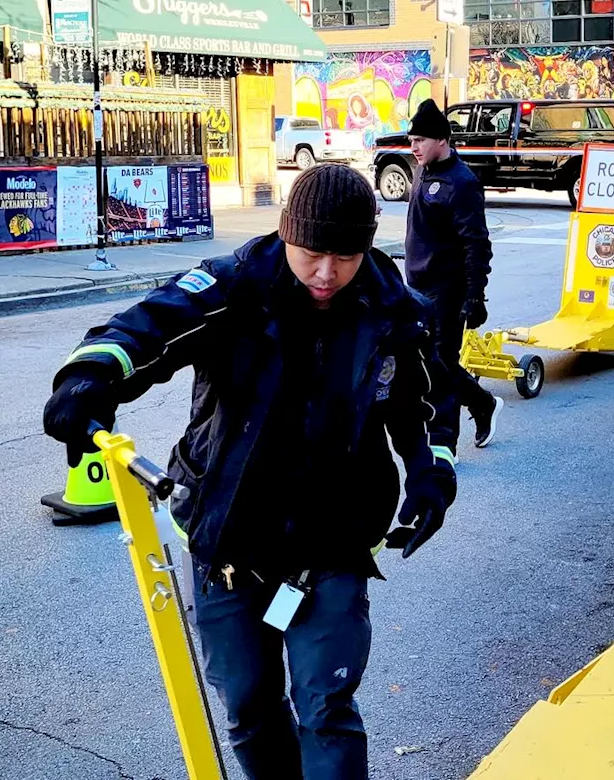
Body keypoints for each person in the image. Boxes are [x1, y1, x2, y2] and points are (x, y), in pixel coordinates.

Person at [42, 165, 456, 780]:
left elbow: (425, 400)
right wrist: (90, 378)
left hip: (333, 542)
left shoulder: (391, 308)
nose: (326, 273)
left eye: (346, 256)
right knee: (250, 708)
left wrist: (432, 471)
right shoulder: (233, 286)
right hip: (228, 538)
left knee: (326, 706)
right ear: (287, 233)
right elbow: (146, 327)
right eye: (313, 253)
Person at [404, 98, 503, 451]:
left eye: (421, 140)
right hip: (416, 285)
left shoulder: (462, 183)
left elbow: (477, 244)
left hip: (447, 290)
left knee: (441, 366)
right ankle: (482, 402)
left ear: (442, 140)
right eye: (412, 140)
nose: (413, 147)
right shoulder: (422, 171)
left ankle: (443, 444)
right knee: (424, 362)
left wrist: (476, 296)